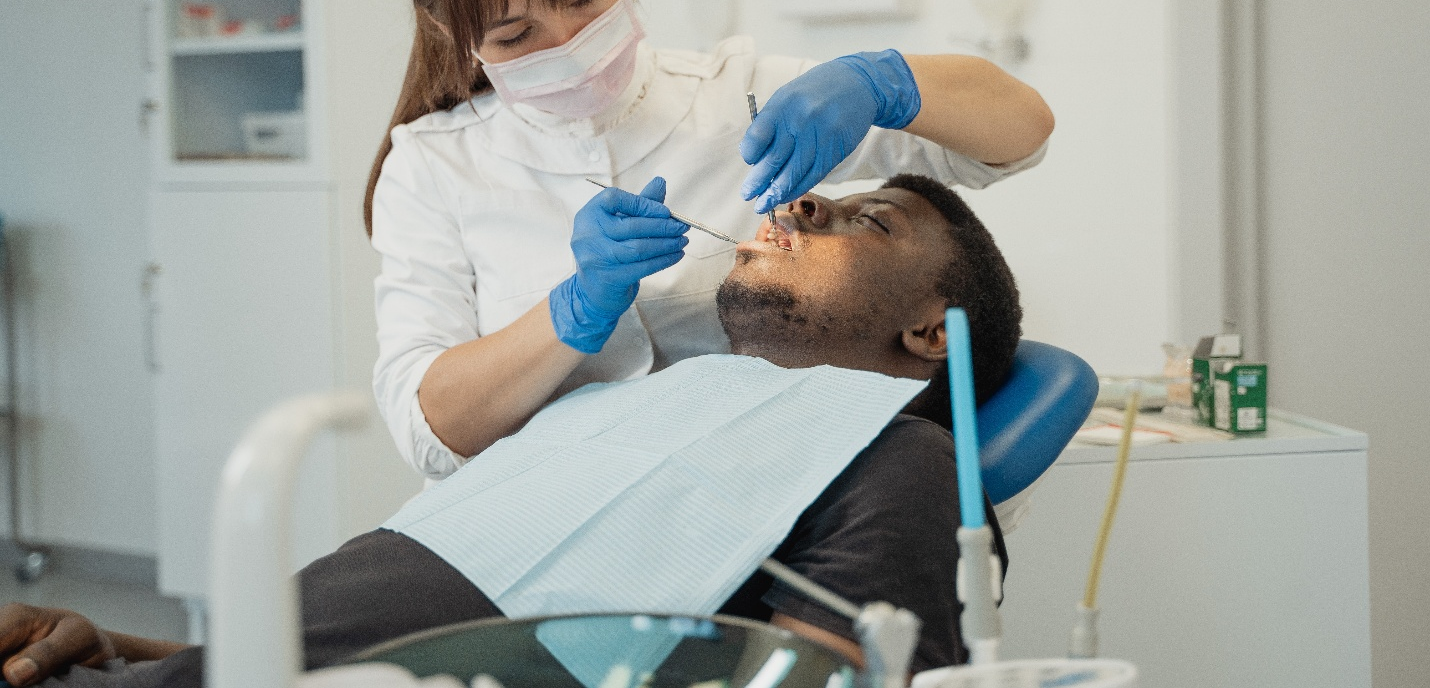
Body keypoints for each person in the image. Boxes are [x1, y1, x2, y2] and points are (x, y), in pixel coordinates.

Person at [0, 175, 1021, 688]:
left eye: (869, 220)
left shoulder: (898, 459)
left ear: (929, 329)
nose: (802, 201)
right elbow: (376, 642)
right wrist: (127, 653)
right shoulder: (629, 399)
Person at [368, 0, 1054, 479]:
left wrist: (886, 80)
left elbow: (1018, 135)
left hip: (733, 503)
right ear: (448, 28)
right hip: (526, 521)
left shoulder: (741, 97)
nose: (568, 45)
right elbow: (430, 431)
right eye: (516, 37)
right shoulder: (432, 169)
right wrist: (571, 311)